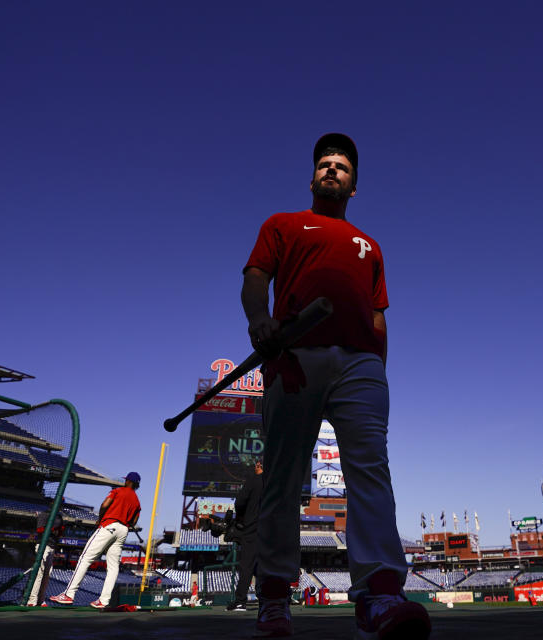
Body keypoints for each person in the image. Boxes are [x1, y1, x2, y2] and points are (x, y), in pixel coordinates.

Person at [242, 133, 431, 638]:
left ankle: (380, 595)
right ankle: (276, 597)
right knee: (282, 478)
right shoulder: (282, 224)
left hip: (360, 366)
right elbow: (256, 276)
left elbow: (377, 315)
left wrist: (379, 369)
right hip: (294, 358)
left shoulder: (370, 245)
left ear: (354, 185)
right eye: (324, 164)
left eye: (341, 167)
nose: (331, 170)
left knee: (370, 473)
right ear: (312, 178)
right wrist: (259, 319)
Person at [49, 472, 141, 609]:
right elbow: (134, 521)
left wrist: (101, 518)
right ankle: (104, 601)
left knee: (85, 558)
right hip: (123, 530)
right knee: (113, 567)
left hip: (109, 525)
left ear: (128, 481)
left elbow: (105, 504)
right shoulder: (137, 500)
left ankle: (69, 594)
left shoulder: (118, 491)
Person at [227, 459, 263, 612]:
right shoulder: (274, 482)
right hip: (270, 529)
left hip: (252, 527)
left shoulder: (254, 480)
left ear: (259, 465)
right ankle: (268, 601)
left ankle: (241, 601)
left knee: (247, 565)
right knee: (264, 566)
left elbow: (239, 502)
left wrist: (242, 517)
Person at [26, 507, 65, 606]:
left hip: (52, 547)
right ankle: (32, 600)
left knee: (47, 575)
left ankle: (41, 599)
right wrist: (53, 529)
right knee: (39, 573)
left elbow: (60, 533)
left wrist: (60, 531)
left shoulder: (59, 516)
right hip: (43, 546)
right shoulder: (44, 514)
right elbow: (40, 529)